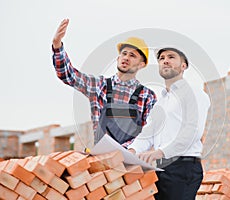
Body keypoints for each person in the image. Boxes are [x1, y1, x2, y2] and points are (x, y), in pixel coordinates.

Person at [52, 19, 157, 147]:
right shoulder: (99, 86)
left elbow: (148, 132)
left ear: (141, 65)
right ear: (118, 58)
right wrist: (57, 45)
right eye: (124, 53)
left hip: (130, 161)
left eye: (132, 55)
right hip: (101, 158)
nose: (126, 58)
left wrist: (125, 151)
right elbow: (68, 75)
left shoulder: (147, 96)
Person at [128, 47, 210, 199]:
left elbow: (192, 132)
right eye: (161, 58)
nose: (165, 60)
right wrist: (132, 151)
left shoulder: (194, 93)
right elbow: (148, 133)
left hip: (183, 167)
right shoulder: (162, 102)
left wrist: (159, 153)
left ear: (183, 66)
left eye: (171, 57)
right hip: (161, 168)